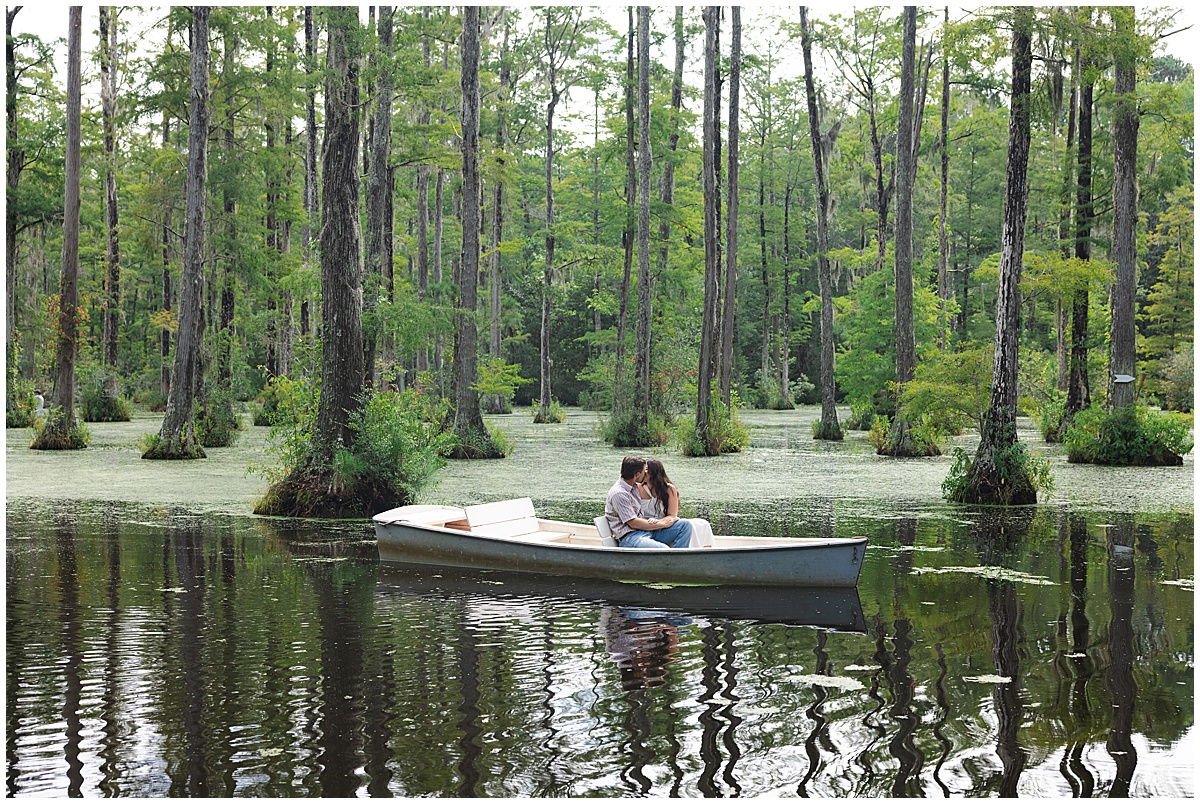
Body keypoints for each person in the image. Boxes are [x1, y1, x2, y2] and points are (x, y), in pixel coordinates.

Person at [604, 456, 694, 549]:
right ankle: (673, 562)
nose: (646, 473)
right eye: (645, 470)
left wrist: (659, 522)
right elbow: (633, 523)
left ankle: (678, 561)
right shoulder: (619, 493)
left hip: (646, 532)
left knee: (685, 525)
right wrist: (662, 524)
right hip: (631, 537)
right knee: (663, 549)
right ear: (637, 474)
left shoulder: (633, 486)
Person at [638, 458, 716, 548]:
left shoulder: (669, 489)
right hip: (644, 527)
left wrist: (658, 522)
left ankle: (681, 557)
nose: (642, 472)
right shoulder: (637, 488)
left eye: (646, 470)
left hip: (664, 525)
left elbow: (672, 515)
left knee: (701, 524)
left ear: (653, 472)